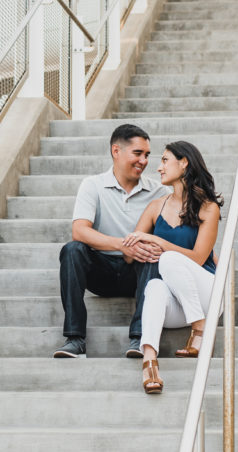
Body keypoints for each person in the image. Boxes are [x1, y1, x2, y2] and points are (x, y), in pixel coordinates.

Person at [54, 124, 169, 359]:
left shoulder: (159, 192)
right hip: (101, 272)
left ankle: (140, 337)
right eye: (138, 153)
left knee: (154, 255)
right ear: (116, 151)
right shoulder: (92, 185)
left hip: (138, 272)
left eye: (147, 155)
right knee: (72, 249)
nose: (144, 161)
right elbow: (80, 231)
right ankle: (75, 340)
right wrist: (121, 245)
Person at [123, 140, 223, 394]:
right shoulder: (156, 207)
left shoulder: (208, 208)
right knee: (154, 287)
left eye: (165, 160)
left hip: (206, 295)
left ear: (184, 162)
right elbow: (129, 253)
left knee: (168, 258)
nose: (158, 168)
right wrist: (140, 248)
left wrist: (157, 240)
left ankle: (200, 328)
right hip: (177, 304)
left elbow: (199, 258)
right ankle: (149, 362)